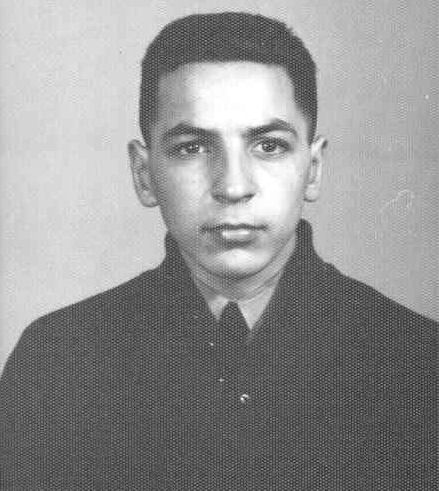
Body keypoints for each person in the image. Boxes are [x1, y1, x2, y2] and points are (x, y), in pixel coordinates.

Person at [0, 12, 436, 490]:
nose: (232, 186)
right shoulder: (57, 361)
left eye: (268, 145)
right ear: (144, 174)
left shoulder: (417, 363)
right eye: (192, 148)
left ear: (312, 169)